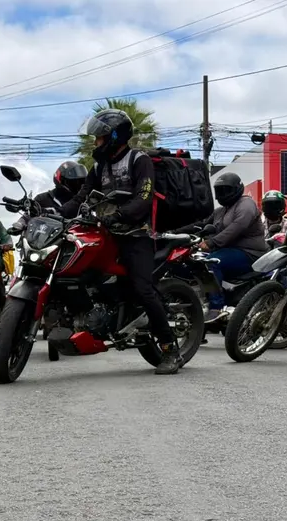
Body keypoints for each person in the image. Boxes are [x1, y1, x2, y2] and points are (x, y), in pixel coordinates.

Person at [64, 108, 182, 375]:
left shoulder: (139, 160)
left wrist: (119, 214)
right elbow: (82, 196)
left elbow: (144, 198)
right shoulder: (98, 166)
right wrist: (52, 213)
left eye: (100, 138)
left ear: (116, 136)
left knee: (143, 289)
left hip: (135, 235)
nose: (96, 143)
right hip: (103, 233)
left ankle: (169, 347)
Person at [192, 173, 269, 322]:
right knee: (193, 262)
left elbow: (237, 226)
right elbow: (201, 224)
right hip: (227, 251)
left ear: (237, 189)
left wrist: (212, 242)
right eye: (220, 191)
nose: (222, 194)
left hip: (249, 253)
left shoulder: (246, 204)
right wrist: (174, 233)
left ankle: (216, 307)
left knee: (211, 263)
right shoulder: (221, 210)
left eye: (226, 190)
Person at [8, 161, 89, 235]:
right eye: (74, 183)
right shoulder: (43, 199)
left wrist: (88, 213)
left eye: (81, 183)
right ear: (62, 180)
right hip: (42, 242)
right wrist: (19, 225)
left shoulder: (82, 201)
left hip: (71, 242)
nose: (77, 187)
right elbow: (28, 215)